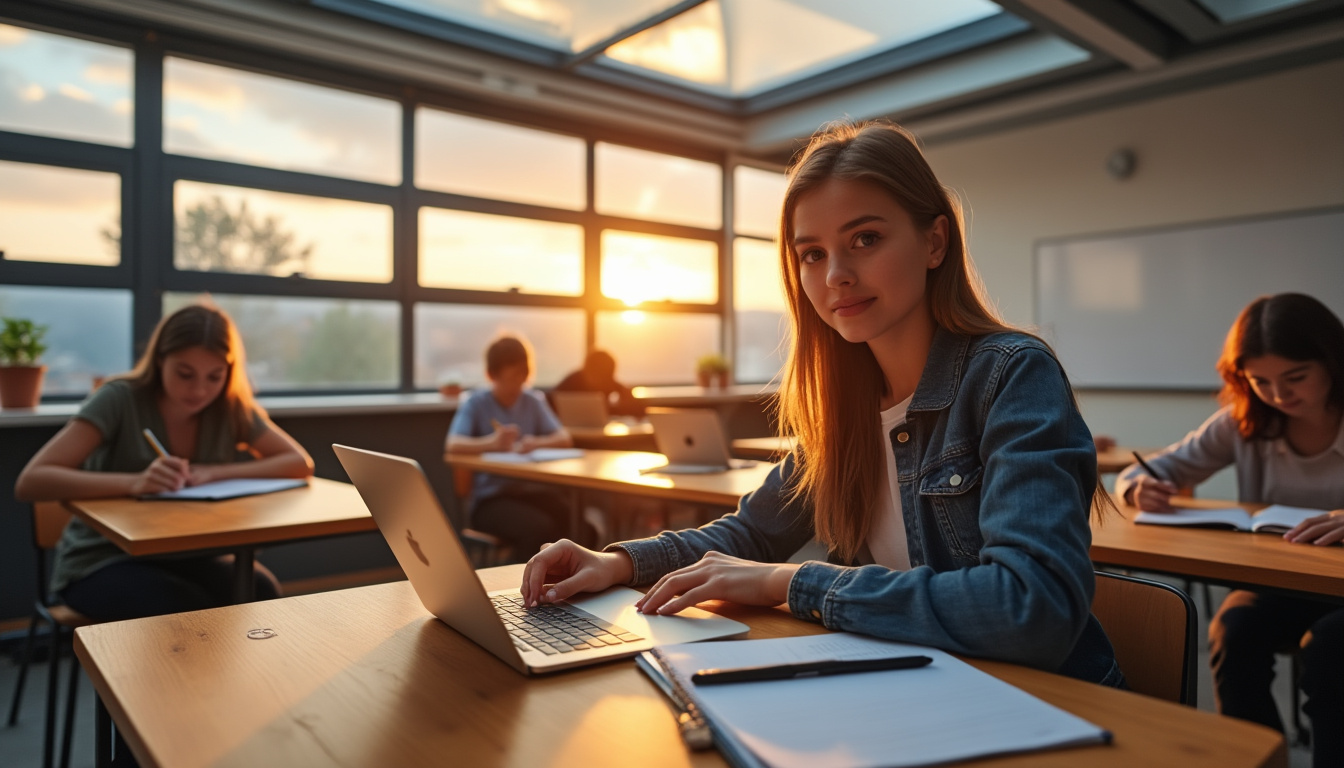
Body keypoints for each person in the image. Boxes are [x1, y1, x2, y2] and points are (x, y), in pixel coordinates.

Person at [519, 120, 1123, 686]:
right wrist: (618, 563)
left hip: (1043, 700)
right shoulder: (845, 405)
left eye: (865, 239)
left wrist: (791, 583)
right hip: (912, 687)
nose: (836, 274)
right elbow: (752, 534)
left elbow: (1032, 609)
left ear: (935, 241)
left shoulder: (1011, 375)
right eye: (812, 253)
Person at [1116, 292, 1343, 767]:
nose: (1278, 394)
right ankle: (1259, 759)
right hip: (1282, 579)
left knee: (1331, 650)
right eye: (1260, 381)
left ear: (1332, 360)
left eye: (1295, 377)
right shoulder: (1244, 420)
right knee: (1233, 630)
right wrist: (1139, 487)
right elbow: (1150, 469)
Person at [15, 303, 314, 621]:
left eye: (215, 376)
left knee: (260, 591)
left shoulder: (230, 406)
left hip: (188, 553)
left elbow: (299, 463)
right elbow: (32, 481)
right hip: (103, 558)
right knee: (180, 610)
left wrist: (214, 473)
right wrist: (135, 483)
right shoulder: (119, 399)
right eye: (185, 374)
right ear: (160, 360)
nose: (199, 390)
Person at [446, 335, 580, 558]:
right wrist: (491, 443)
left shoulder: (532, 400)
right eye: (511, 378)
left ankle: (571, 578)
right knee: (538, 529)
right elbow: (453, 444)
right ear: (492, 375)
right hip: (491, 500)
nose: (518, 385)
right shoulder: (476, 403)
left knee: (578, 525)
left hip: (531, 492)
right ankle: (523, 579)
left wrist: (536, 442)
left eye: (523, 377)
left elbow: (564, 438)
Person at [550, 349, 645, 417]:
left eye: (604, 377)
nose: (599, 381)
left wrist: (625, 396)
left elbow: (639, 409)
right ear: (586, 370)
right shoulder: (572, 381)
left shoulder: (609, 383)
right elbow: (550, 402)